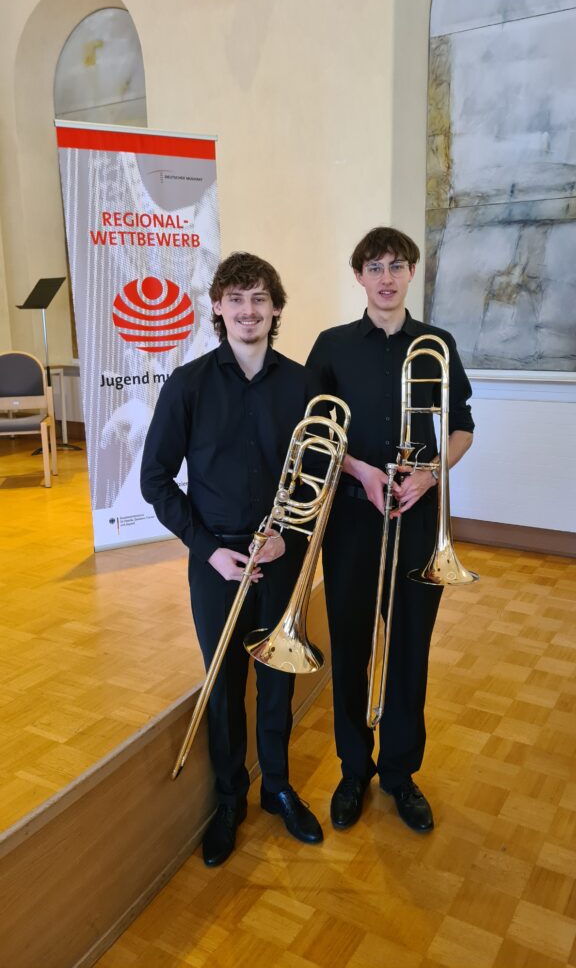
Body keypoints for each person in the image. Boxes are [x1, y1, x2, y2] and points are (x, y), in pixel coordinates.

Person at [141, 251, 323, 866]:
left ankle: (276, 786)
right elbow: (156, 480)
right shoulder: (187, 384)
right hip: (216, 559)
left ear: (275, 309)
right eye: (237, 299)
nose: (249, 312)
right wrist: (208, 550)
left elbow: (316, 477)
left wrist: (288, 537)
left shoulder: (301, 383)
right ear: (218, 307)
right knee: (224, 686)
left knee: (276, 681)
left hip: (278, 555)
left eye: (260, 300)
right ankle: (229, 800)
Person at [306, 227, 474, 834]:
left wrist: (431, 474)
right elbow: (318, 431)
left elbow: (461, 427)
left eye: (395, 266)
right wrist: (358, 469)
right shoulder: (330, 347)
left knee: (409, 650)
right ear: (358, 276)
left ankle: (401, 774)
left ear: (410, 273)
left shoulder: (437, 344)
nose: (385, 276)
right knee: (350, 650)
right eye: (373, 266)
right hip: (351, 518)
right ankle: (355, 770)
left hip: (419, 520)